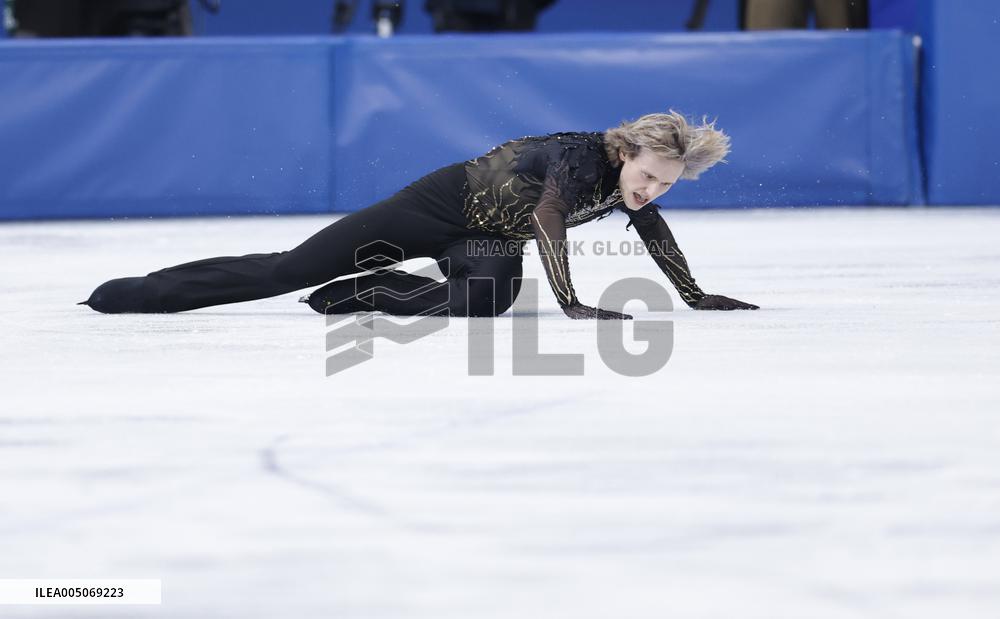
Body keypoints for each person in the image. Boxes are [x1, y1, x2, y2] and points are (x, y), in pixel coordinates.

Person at [80, 111, 759, 319]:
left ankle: (367, 291)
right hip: (429, 209)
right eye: (647, 177)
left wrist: (696, 296)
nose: (651, 192)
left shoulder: (633, 186)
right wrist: (573, 303)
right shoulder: (581, 159)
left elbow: (653, 229)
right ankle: (134, 293)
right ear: (626, 151)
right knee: (284, 270)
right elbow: (548, 221)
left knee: (486, 300)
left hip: (484, 236)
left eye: (666, 184)